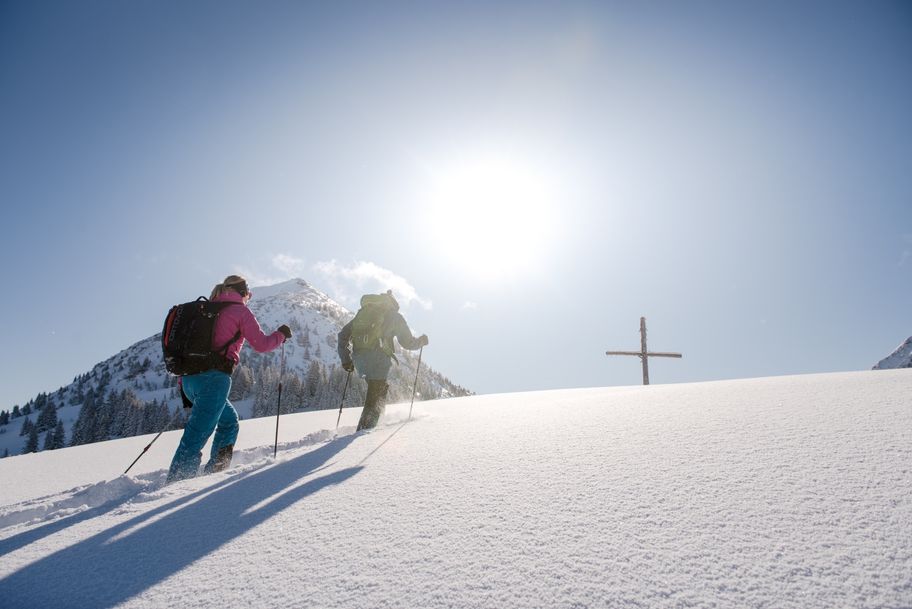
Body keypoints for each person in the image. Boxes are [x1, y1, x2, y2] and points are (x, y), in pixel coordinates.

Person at [166, 275, 291, 482]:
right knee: (195, 438)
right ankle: (174, 486)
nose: (248, 298)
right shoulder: (240, 311)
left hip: (188, 380)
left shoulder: (205, 310)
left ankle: (215, 471)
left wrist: (186, 386)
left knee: (229, 422)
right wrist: (281, 335)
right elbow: (261, 344)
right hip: (214, 380)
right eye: (248, 294)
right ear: (242, 292)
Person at [337, 290, 428, 431]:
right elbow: (407, 342)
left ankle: (376, 422)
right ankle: (364, 431)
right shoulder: (394, 316)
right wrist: (421, 341)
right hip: (378, 357)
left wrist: (346, 360)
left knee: (379, 389)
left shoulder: (362, 314)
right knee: (376, 393)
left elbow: (342, 336)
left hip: (359, 358)